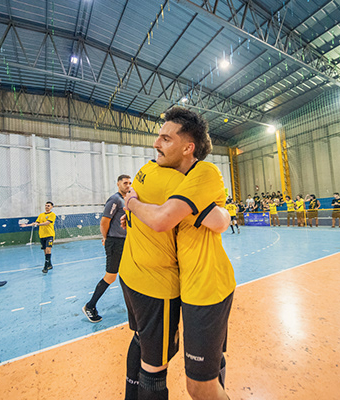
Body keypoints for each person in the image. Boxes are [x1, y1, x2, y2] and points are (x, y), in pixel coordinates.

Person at [123, 106, 234, 400]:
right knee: (208, 367)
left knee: (198, 386)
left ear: (188, 148)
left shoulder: (203, 173)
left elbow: (166, 220)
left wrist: (132, 203)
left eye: (166, 138)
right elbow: (217, 219)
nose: (156, 143)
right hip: (188, 285)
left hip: (206, 287)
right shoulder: (172, 178)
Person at [82, 175, 131, 323]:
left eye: (130, 183)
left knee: (127, 274)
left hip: (125, 242)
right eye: (125, 183)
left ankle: (132, 305)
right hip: (115, 242)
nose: (128, 185)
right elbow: (104, 222)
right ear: (118, 184)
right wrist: (106, 238)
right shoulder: (115, 200)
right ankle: (90, 306)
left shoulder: (127, 199)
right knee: (111, 276)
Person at [20, 201, 57, 273]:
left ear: (52, 207)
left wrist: (38, 224)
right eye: (46, 205)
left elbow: (47, 223)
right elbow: (36, 223)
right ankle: (50, 264)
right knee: (45, 251)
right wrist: (27, 225)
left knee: (48, 250)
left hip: (50, 235)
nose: (46, 207)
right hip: (42, 235)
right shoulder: (41, 215)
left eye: (48, 206)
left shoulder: (52, 215)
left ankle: (45, 267)